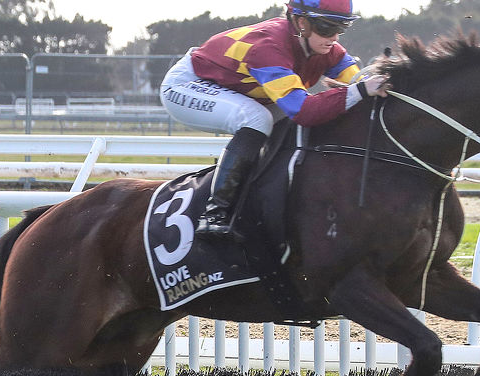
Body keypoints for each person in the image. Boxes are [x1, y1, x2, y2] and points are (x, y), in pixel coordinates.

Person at [159, 0, 389, 237]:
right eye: (327, 28)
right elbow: (305, 110)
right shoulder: (267, 48)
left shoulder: (327, 50)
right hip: (188, 85)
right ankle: (215, 212)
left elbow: (356, 82)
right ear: (301, 22)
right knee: (257, 119)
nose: (334, 38)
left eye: (341, 29)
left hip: (245, 91)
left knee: (286, 123)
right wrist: (361, 90)